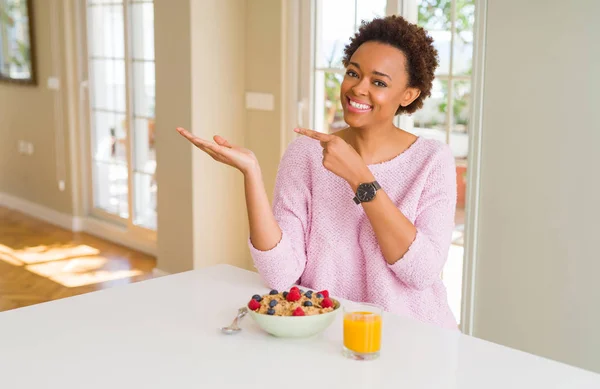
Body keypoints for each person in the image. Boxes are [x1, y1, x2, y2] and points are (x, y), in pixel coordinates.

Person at [177, 15, 458, 330]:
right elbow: (280, 275)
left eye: (379, 82)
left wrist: (360, 178)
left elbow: (422, 272)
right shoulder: (306, 154)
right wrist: (251, 173)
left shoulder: (432, 160)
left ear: (409, 95)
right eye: (353, 73)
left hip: (414, 339)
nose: (358, 88)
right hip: (325, 335)